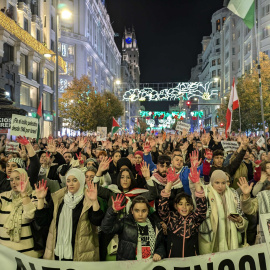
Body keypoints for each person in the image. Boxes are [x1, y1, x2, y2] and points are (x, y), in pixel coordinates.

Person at [34, 168, 104, 261]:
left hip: (80, 254)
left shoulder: (87, 199)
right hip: (58, 254)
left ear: (81, 181)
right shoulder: (58, 199)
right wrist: (40, 199)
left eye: (75, 180)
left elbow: (97, 221)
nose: (71, 184)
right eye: (68, 180)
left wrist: (94, 201)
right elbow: (42, 221)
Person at [190, 170, 248, 254]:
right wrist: (194, 181)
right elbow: (195, 190)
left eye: (223, 183)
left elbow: (242, 216)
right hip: (210, 239)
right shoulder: (205, 192)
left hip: (230, 241)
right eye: (217, 182)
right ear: (212, 182)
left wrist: (240, 220)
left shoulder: (232, 195)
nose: (220, 186)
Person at [158, 164, 206, 257]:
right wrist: (169, 184)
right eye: (181, 204)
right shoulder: (171, 218)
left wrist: (197, 183)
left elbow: (202, 208)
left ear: (192, 207)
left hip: (192, 261)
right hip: (173, 261)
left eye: (187, 204)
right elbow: (162, 208)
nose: (184, 207)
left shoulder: (195, 219)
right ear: (175, 206)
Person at [101, 195, 166, 261]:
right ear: (132, 211)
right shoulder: (125, 223)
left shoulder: (155, 225)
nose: (140, 214)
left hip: (148, 265)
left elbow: (160, 244)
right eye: (137, 211)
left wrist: (159, 253)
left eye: (143, 211)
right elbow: (106, 229)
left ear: (148, 211)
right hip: (128, 266)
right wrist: (113, 211)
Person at [0, 168, 39, 257]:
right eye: (11, 179)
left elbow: (30, 215)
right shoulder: (4, 197)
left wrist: (24, 193)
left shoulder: (36, 195)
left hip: (27, 256)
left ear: (25, 179)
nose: (14, 182)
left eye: (18, 178)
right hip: (5, 256)